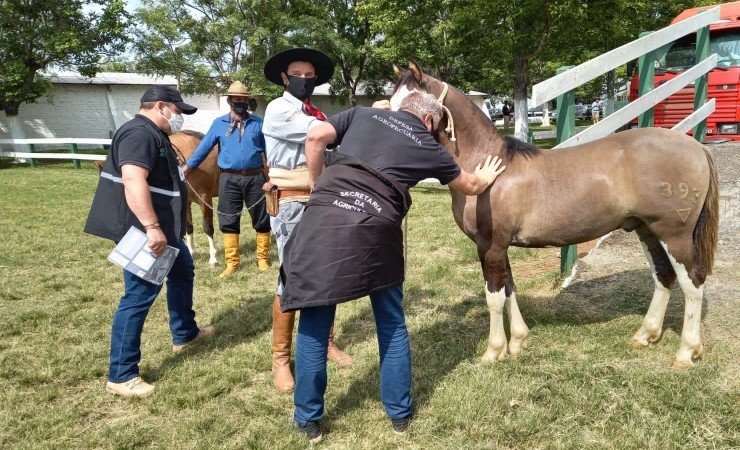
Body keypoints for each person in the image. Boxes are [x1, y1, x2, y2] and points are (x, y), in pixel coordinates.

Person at [279, 91, 506, 442]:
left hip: (321, 222)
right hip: (376, 229)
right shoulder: (428, 145)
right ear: (429, 121)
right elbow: (471, 184)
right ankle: (399, 415)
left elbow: (315, 137)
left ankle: (308, 420)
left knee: (314, 320)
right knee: (390, 321)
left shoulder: (361, 115)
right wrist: (486, 175)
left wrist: (317, 183)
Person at [85, 85, 215, 398]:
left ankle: (185, 333)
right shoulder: (139, 134)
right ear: (160, 105)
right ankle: (121, 374)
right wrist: (151, 226)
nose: (179, 118)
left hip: (167, 232)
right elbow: (133, 179)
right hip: (148, 233)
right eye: (178, 111)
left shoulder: (153, 134)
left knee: (183, 272)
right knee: (138, 297)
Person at [261, 47, 354, 395]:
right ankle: (281, 359)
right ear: (284, 78)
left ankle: (325, 342)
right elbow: (321, 134)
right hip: (292, 201)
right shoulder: (279, 109)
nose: (304, 79)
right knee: (292, 276)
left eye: (309, 75)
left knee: (327, 272)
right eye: (297, 74)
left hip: (320, 200)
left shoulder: (313, 111)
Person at [183, 81, 271, 277]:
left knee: (261, 217)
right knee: (228, 218)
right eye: (236, 99)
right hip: (228, 180)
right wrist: (186, 169)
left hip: (255, 177)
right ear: (230, 101)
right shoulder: (218, 124)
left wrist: (271, 178)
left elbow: (270, 153)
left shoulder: (259, 124)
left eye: (243, 99)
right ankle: (232, 263)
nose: (240, 102)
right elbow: (202, 151)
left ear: (247, 101)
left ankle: (263, 258)